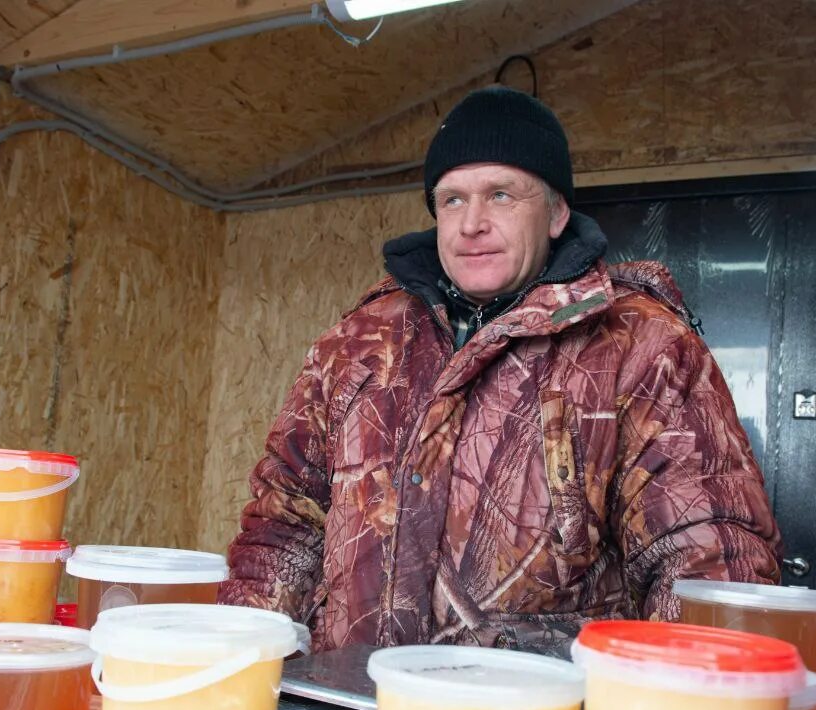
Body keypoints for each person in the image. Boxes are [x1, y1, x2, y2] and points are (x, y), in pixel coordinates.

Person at [219, 87, 780, 655]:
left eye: (501, 195)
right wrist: (242, 668)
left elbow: (706, 564)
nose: (471, 224)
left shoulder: (642, 344)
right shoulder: (362, 342)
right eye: (453, 200)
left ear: (557, 212)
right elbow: (283, 524)